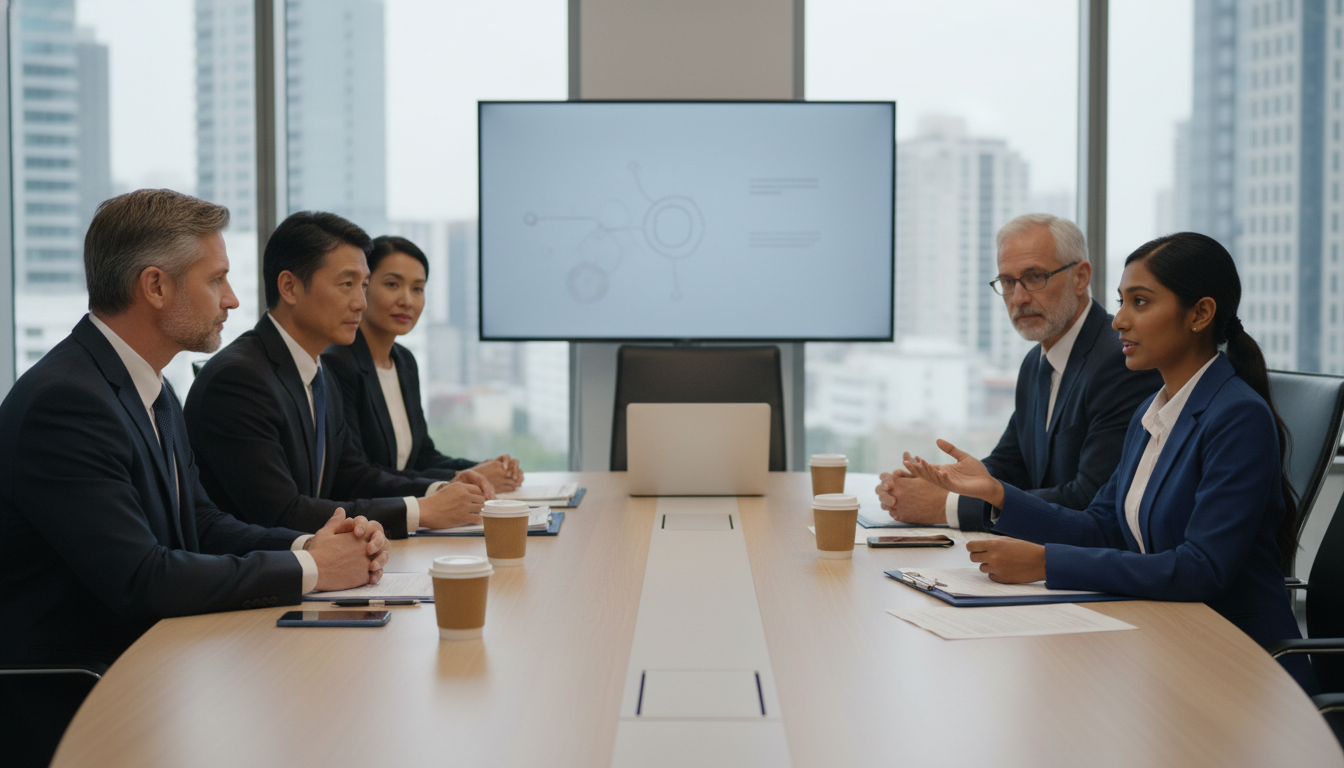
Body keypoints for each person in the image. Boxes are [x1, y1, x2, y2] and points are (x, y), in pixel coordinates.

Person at [0, 190, 391, 767]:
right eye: (217, 281)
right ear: (155, 287)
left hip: (164, 663)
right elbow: (141, 577)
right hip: (84, 696)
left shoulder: (149, 385)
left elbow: (199, 522)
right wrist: (313, 570)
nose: (233, 300)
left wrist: (311, 544)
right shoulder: (67, 401)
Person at [902, 232, 1312, 689]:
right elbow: (1104, 526)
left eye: (1140, 302)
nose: (1118, 320)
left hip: (1239, 664)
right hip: (1168, 644)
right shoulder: (1154, 410)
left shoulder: (1236, 416)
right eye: (1121, 302)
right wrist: (999, 494)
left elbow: (1201, 569)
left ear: (1200, 314)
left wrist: (1045, 563)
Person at [184, 212, 492, 539]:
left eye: (363, 285)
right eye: (347, 285)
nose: (360, 302)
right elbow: (282, 512)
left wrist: (438, 490)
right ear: (289, 287)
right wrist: (421, 511)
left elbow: (350, 476)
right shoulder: (239, 379)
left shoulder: (320, 373)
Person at [878, 214, 1162, 530]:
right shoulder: (1035, 362)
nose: (1019, 298)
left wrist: (949, 507)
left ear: (1080, 277)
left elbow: (1089, 498)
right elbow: (1010, 465)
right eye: (1008, 282)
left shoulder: (1120, 361)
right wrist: (940, 482)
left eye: (1035, 277)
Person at [321, 235, 524, 490]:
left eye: (417, 288)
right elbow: (356, 474)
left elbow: (421, 456)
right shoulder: (337, 363)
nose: (407, 300)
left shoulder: (404, 361)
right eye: (392, 284)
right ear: (363, 287)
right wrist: (455, 481)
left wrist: (484, 469)